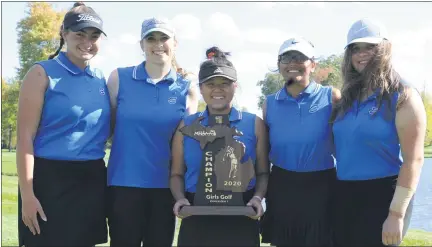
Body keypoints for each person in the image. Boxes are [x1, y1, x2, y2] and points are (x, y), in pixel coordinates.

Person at [16, 2, 109, 246]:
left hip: (91, 181)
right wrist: (27, 195)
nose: (87, 42)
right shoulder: (40, 73)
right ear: (64, 33)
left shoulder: (100, 79)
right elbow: (25, 138)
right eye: (80, 34)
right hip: (49, 182)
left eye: (94, 35)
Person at [331, 18, 426, 246]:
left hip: (384, 196)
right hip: (344, 194)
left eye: (370, 47)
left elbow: (414, 160)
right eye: (355, 48)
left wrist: (396, 214)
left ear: (385, 49)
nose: (361, 54)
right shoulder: (347, 98)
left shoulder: (403, 96)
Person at [106, 17, 198, 246]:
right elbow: (109, 127)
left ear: (174, 43)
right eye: (151, 39)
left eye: (164, 38)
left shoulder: (187, 89)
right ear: (142, 45)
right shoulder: (120, 78)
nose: (158, 44)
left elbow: (184, 143)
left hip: (166, 188)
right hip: (124, 184)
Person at [170, 47, 270, 246]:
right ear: (200, 88)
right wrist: (180, 198)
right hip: (196, 218)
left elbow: (263, 173)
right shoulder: (187, 125)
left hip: (241, 217)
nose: (218, 89)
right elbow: (176, 174)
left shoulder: (254, 123)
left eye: (225, 83)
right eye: (210, 84)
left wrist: (258, 198)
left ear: (235, 86)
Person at [260, 36, 341, 246]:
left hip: (321, 187)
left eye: (300, 58)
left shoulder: (331, 97)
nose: (293, 63)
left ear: (312, 65)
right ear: (279, 66)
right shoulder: (269, 103)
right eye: (286, 58)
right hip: (282, 186)